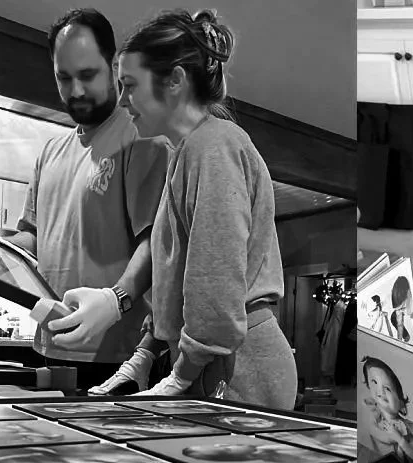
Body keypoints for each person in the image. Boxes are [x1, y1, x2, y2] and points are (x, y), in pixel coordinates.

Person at [95, 11, 298, 406]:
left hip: (241, 367)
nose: (121, 101)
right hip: (212, 364)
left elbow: (216, 284)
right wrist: (144, 356)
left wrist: (179, 375)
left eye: (130, 85)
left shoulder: (214, 146)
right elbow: (179, 283)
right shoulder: (186, 152)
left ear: (174, 81)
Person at [0, 10, 168, 389]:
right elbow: (34, 241)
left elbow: (156, 242)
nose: (75, 90)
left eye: (87, 75)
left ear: (113, 64)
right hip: (48, 346)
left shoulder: (141, 137)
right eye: (64, 77)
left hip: (115, 358)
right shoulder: (50, 152)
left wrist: (115, 299)